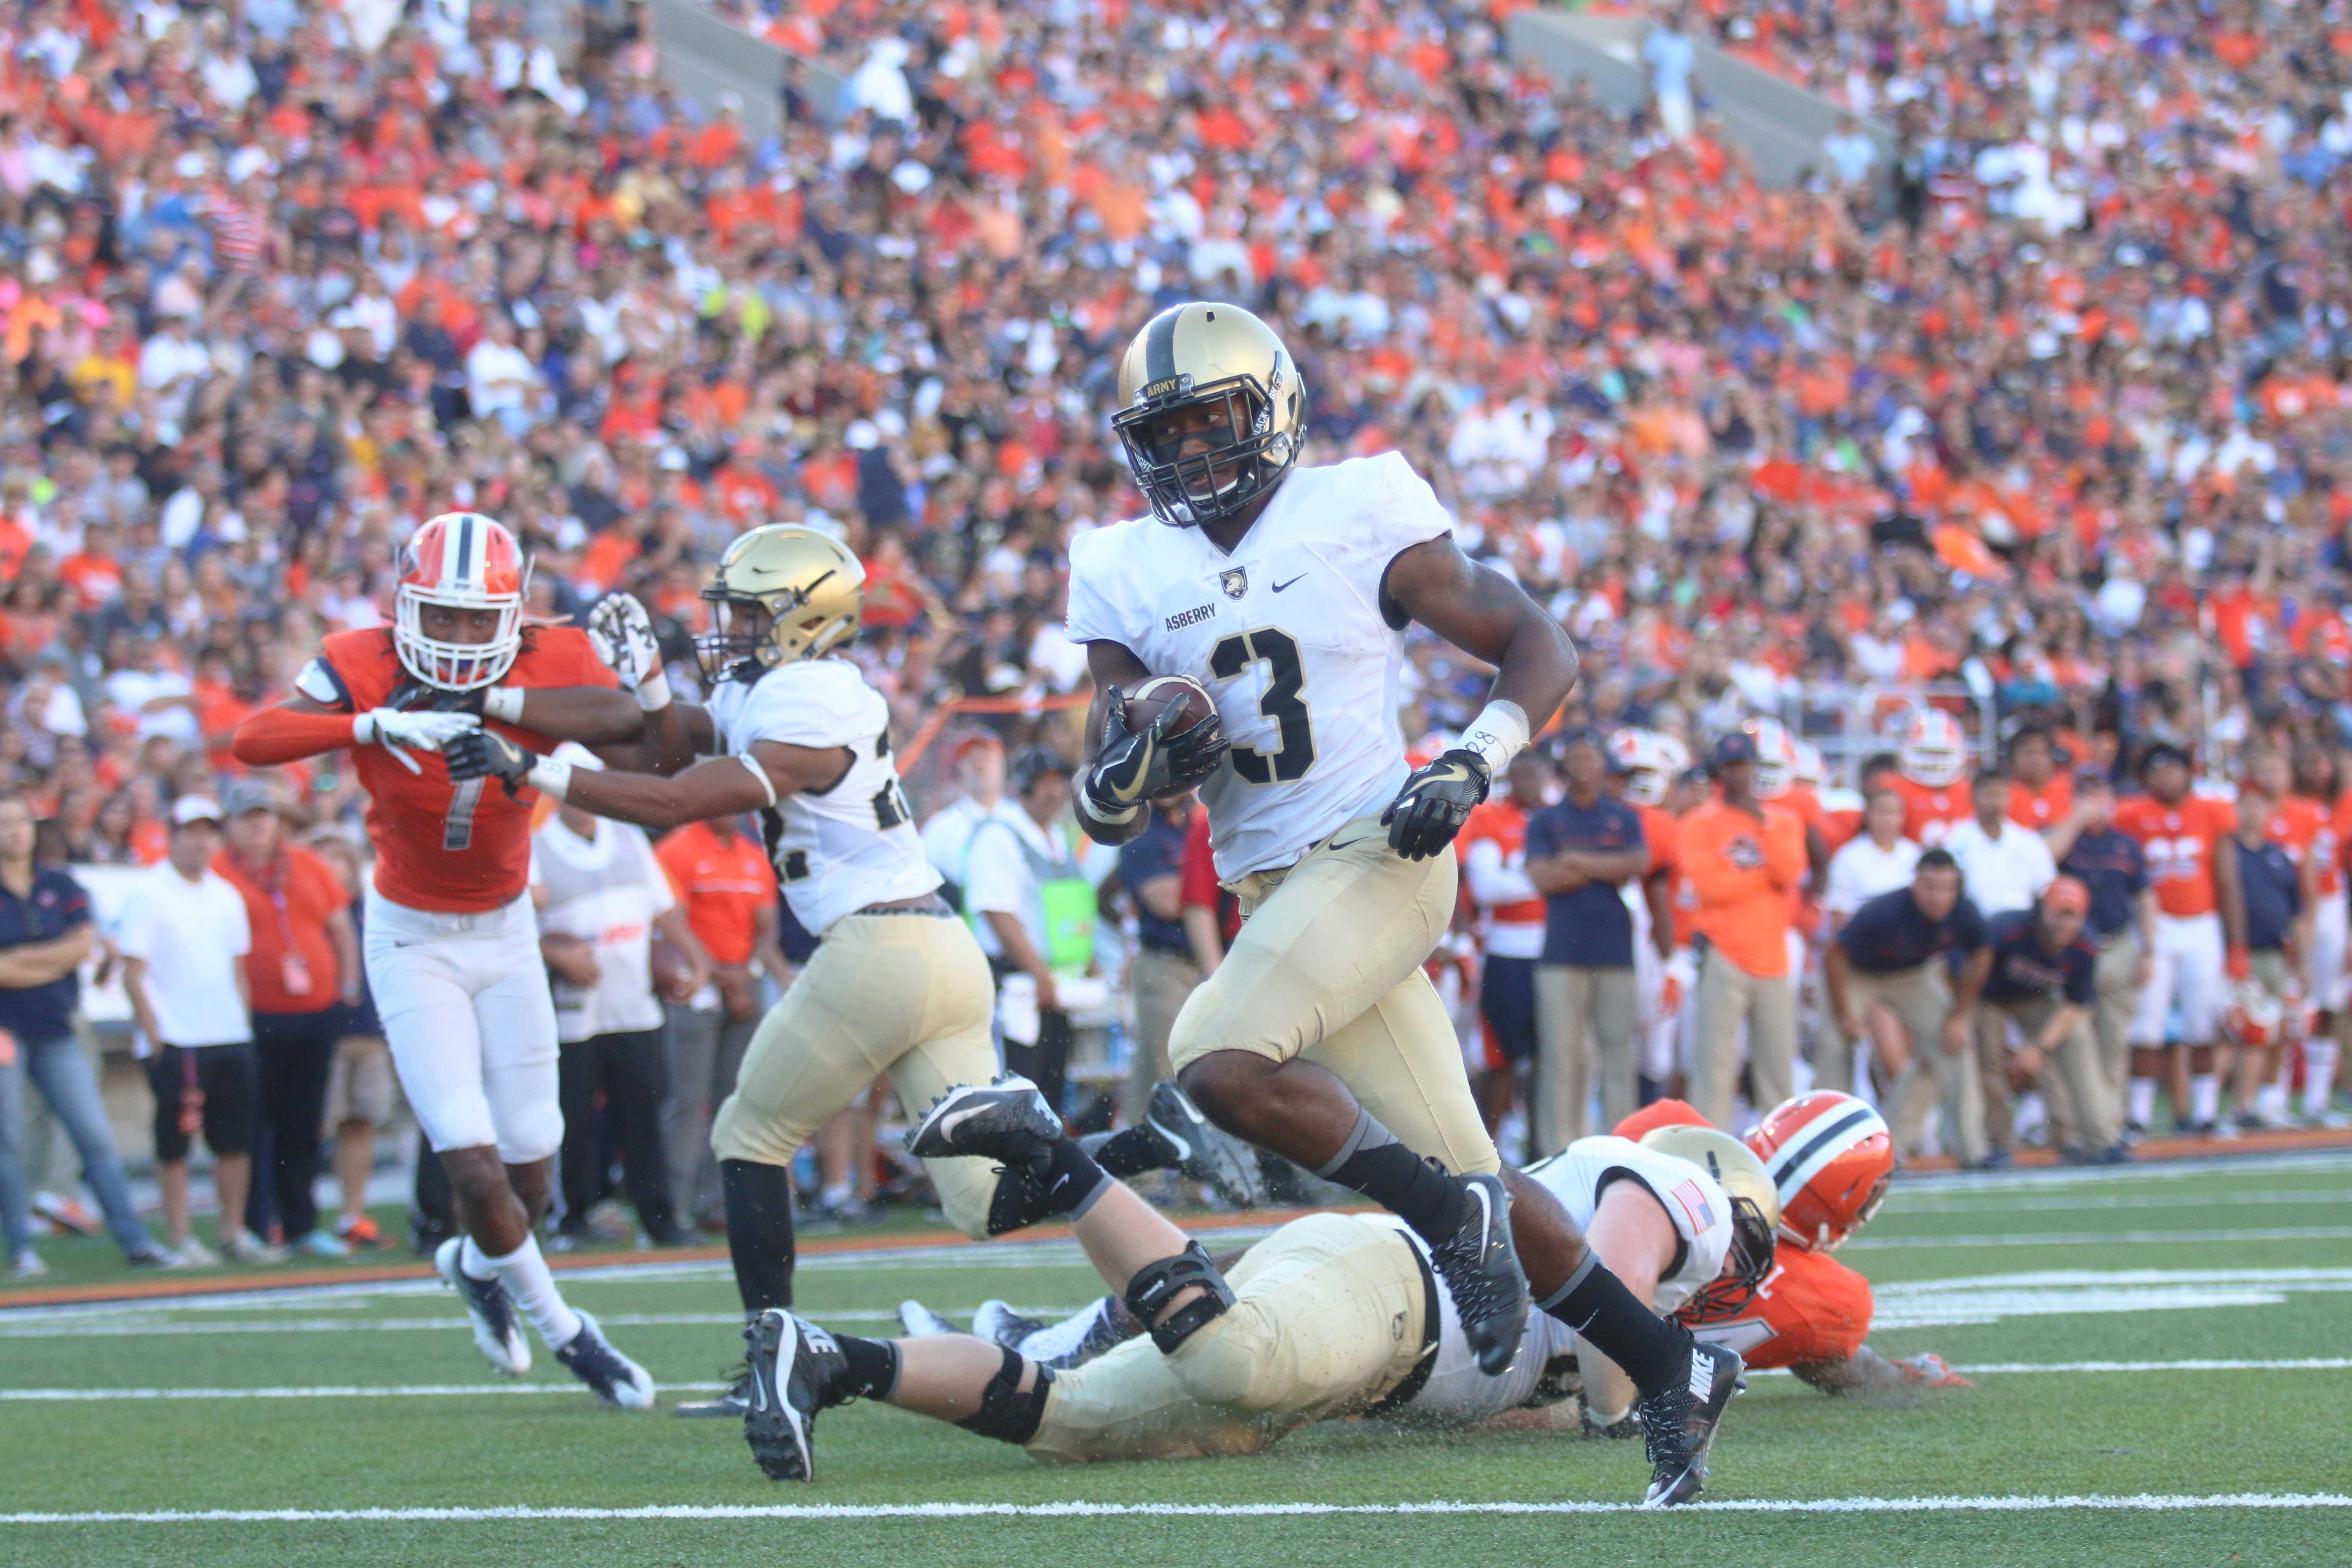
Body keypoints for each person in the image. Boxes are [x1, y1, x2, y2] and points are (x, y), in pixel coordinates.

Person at [1060, 301, 1738, 1503]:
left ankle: (1450, 1221)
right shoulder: (1122, 565)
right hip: (1273, 886)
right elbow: (1109, 807)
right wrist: (1125, 766)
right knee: (1486, 1182)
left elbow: (1536, 642)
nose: (1196, 456)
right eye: (1168, 436)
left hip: (1384, 850)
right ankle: (1670, 1365)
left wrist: (1471, 760)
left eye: (1217, 423)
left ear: (1271, 408)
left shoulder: (1358, 503)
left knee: (1210, 1057)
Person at [444, 528, 1058, 1420]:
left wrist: (534, 773)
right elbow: (649, 738)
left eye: (745, 610)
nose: (725, 624)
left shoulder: (807, 702)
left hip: (878, 949)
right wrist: (505, 700)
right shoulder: (794, 689)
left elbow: (670, 799)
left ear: (803, 619)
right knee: (981, 1197)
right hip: (936, 945)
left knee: (748, 1138)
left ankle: (770, 1363)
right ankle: (1140, 1146)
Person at [766, 1075, 1773, 1491]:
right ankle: (1050, 1145)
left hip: (1375, 1331)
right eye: (1752, 1243)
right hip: (1386, 1294)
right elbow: (1607, 1375)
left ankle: (830, 1362)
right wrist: (1628, 1393)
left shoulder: (1620, 1201)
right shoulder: (1676, 1190)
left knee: (1071, 1426)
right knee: (1230, 1359)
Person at [233, 510, 657, 1408]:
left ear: (512, 614)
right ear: (404, 606)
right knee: (470, 1161)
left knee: (533, 1163)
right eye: (442, 616)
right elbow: (254, 740)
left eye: (477, 619)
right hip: (412, 936)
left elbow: (634, 730)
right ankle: (570, 1334)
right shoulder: (364, 659)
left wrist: (496, 706)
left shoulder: (549, 653)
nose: (461, 636)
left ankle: (473, 1267)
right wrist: (372, 726)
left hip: (507, 934)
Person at [1616, 1093, 1968, 1396]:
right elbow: (1822, 1359)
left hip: (1577, 1295)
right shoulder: (1831, 1298)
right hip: (1626, 1377)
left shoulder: (1668, 1125)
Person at [531, 747, 706, 1247]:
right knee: (573, 1117)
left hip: (633, 1002)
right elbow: (518, 925)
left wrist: (694, 957)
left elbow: (665, 908)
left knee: (643, 1116)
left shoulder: (628, 839)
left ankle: (659, 1217)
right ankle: (572, 1215)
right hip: (574, 1008)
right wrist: (556, 954)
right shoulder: (537, 849)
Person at [0, 793, 163, 1276]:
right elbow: (66, 951)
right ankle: (21, 1248)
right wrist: (53, 957)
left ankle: (136, 1241)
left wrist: (16, 963)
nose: (13, 832)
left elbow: (83, 947)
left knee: (94, 1135)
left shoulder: (61, 882)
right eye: (4, 824)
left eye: (19, 823)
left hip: (58, 1028)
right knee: (7, 1142)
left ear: (33, 830)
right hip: (5, 1033)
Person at [211, 775, 360, 1259]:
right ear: (229, 825)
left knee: (304, 1123)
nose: (257, 826)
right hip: (250, 1014)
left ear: (277, 822)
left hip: (315, 1011)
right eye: (247, 818)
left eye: (264, 816)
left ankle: (301, 1224)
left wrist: (348, 984)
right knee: (254, 1121)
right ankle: (258, 1223)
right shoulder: (218, 873)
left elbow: (340, 926)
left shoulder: (308, 864)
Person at [117, 795, 263, 1265]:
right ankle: (180, 1236)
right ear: (173, 834)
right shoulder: (150, 893)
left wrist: (243, 1019)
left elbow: (238, 966)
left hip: (227, 1033)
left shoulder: (226, 894)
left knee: (235, 1141)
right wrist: (154, 1032)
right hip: (179, 1036)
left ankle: (231, 1231)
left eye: (209, 832)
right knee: (175, 1142)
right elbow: (133, 969)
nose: (201, 842)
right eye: (191, 831)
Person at [654, 809, 783, 1233]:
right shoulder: (678, 848)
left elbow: (766, 926)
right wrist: (717, 972)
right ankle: (671, 1206)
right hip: (696, 984)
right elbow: (671, 921)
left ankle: (718, 1202)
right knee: (688, 1101)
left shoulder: (752, 854)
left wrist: (746, 973)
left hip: (742, 982)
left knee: (734, 1099)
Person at [1822, 851, 1990, 1167]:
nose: (1938, 897)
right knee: (1835, 1045)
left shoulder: (1966, 913)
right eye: (1930, 887)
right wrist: (1845, 1016)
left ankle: (1971, 1151)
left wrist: (1960, 1016)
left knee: (1954, 1045)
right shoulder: (1883, 911)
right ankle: (1832, 1153)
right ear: (1915, 884)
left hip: (1913, 976)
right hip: (1858, 975)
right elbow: (1835, 955)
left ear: (1958, 889)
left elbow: (1982, 955)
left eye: (1946, 888)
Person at [2112, 743, 2246, 1136]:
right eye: (2157, 771)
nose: (2165, 778)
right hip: (2153, 928)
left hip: (2201, 923)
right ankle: (2138, 1114)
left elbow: (2227, 880)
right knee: (2146, 1025)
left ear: (2189, 773)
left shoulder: (2212, 811)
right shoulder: (2130, 814)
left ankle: (2204, 1112)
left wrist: (2237, 945)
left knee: (2202, 1022)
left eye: (2173, 770)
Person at [1523, 732, 1646, 1152]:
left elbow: (1636, 864)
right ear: (1564, 766)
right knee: (1562, 1056)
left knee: (1618, 1052)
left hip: (1615, 949)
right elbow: (1542, 878)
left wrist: (1576, 860)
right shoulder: (1545, 820)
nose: (1584, 767)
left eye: (1591, 758)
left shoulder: (1624, 817)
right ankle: (1560, 1149)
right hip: (1562, 952)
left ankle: (1621, 1146)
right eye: (1576, 759)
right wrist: (1604, 868)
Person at [1680, 732, 1807, 1131]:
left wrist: (1760, 825)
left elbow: (1789, 874)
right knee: (1714, 1065)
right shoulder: (1698, 823)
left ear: (1756, 768)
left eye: (1745, 765)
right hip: (1722, 951)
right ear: (1720, 771)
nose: (1738, 774)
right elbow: (1709, 889)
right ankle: (1707, 1149)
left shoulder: (1783, 821)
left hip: (1773, 955)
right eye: (1731, 766)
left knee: (1777, 1066)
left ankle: (1782, 1147)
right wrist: (1760, 876)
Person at [965, 746, 1098, 1115]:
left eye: (1059, 783)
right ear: (1022, 788)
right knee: (1019, 1089)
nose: (1054, 793)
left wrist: (1087, 961)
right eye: (1043, 784)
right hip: (1017, 985)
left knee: (1051, 1091)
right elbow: (999, 914)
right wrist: (1040, 974)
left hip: (1054, 985)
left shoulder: (1057, 839)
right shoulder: (1000, 837)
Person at [1958, 876, 2122, 1163]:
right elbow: (1969, 972)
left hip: (2033, 997)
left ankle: (2095, 1139)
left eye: (2072, 916)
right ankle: (1997, 1143)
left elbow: (2075, 1004)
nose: (2063, 924)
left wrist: (2039, 1048)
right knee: (1990, 1055)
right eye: (2058, 913)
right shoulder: (2006, 929)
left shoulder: (2085, 946)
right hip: (1985, 997)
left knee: (2077, 1038)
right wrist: (1962, 1016)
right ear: (2041, 910)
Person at [306, 830, 398, 1250]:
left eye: (338, 859)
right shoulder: (306, 914)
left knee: (361, 1124)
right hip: (319, 1035)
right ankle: (297, 1216)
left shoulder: (372, 911)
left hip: (368, 1033)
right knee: (309, 1126)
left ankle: (351, 1215)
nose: (331, 868)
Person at [2055, 772, 2155, 1142]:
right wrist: (2074, 820)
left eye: (2100, 792)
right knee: (2074, 1042)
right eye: (2086, 793)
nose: (2094, 801)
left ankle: (2109, 1124)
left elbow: (2144, 896)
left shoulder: (2126, 845)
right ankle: (2071, 1125)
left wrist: (2150, 949)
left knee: (2113, 1043)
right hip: (2073, 952)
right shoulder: (2065, 835)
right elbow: (2045, 858)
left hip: (2116, 946)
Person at [1458, 752, 1550, 1140]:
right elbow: (1486, 888)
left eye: (1534, 776)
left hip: (1555, 951)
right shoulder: (1491, 817)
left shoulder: (1558, 819)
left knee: (1550, 1058)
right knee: (1499, 1056)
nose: (1526, 784)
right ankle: (1491, 1144)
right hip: (1505, 950)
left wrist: (1528, 876)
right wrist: (1553, 878)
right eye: (1519, 776)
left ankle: (1540, 1144)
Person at [1115, 793, 1204, 1130]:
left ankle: (1194, 1175)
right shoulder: (1142, 833)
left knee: (1200, 1069)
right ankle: (1146, 1171)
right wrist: (1212, 884)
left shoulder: (1200, 823)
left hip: (1207, 960)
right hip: (1167, 964)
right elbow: (1166, 901)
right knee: (1163, 1070)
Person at [2226, 786, 2308, 1134]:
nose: (2253, 813)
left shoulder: (2279, 855)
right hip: (2243, 953)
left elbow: (2296, 911)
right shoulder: (2228, 852)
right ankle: (2240, 1105)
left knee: (2280, 1030)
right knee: (2249, 1032)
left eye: (2259, 806)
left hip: (2276, 952)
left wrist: (2302, 959)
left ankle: (2270, 1102)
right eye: (2246, 805)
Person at [1942, 769, 2058, 919]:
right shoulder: (1955, 839)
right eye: (1989, 795)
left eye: (2001, 796)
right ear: (1973, 797)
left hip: (2020, 927)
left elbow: (2046, 889)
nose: (1995, 803)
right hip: (1972, 924)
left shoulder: (2029, 841)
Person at [919, 734, 1017, 910]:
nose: (980, 766)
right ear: (960, 769)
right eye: (971, 760)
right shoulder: (939, 828)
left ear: (1002, 766)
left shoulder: (1021, 821)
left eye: (987, 758)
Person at [1823, 786, 1922, 925]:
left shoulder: (1915, 854)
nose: (1888, 819)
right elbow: (1838, 914)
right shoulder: (1848, 857)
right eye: (1882, 813)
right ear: (1868, 815)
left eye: (1894, 813)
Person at [1890, 710, 1973, 847]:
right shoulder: (1895, 789)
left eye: (1942, 753)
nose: (1935, 761)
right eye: (1927, 753)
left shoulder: (1969, 791)